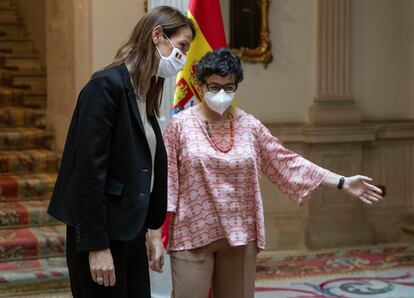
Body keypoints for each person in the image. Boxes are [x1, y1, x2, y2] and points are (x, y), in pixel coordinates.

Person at [148, 48, 383, 298]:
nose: (222, 94)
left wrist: (342, 181)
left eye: (229, 88)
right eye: (214, 86)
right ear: (201, 84)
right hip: (192, 233)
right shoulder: (180, 126)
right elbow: (165, 183)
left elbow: (286, 162)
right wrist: (153, 236)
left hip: (240, 234)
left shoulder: (249, 126)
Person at [47, 6, 195, 298]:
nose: (183, 57)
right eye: (182, 46)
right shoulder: (105, 87)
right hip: (102, 235)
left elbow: (145, 168)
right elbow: (88, 174)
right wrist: (96, 246)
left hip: (130, 230)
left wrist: (152, 233)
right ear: (157, 36)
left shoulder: (143, 93)